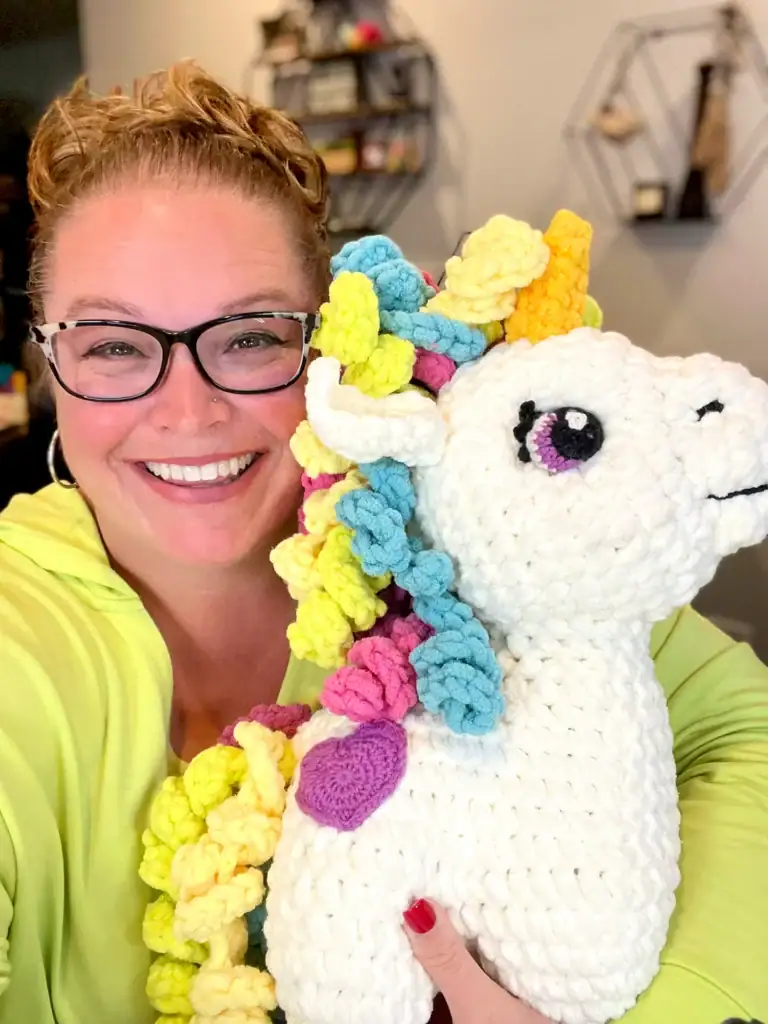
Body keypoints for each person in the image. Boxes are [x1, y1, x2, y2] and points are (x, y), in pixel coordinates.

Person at [0, 63, 766, 1024]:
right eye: (113, 345)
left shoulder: (467, 555)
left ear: (330, 345)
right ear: (51, 362)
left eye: (249, 338)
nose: (187, 410)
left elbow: (746, 729)